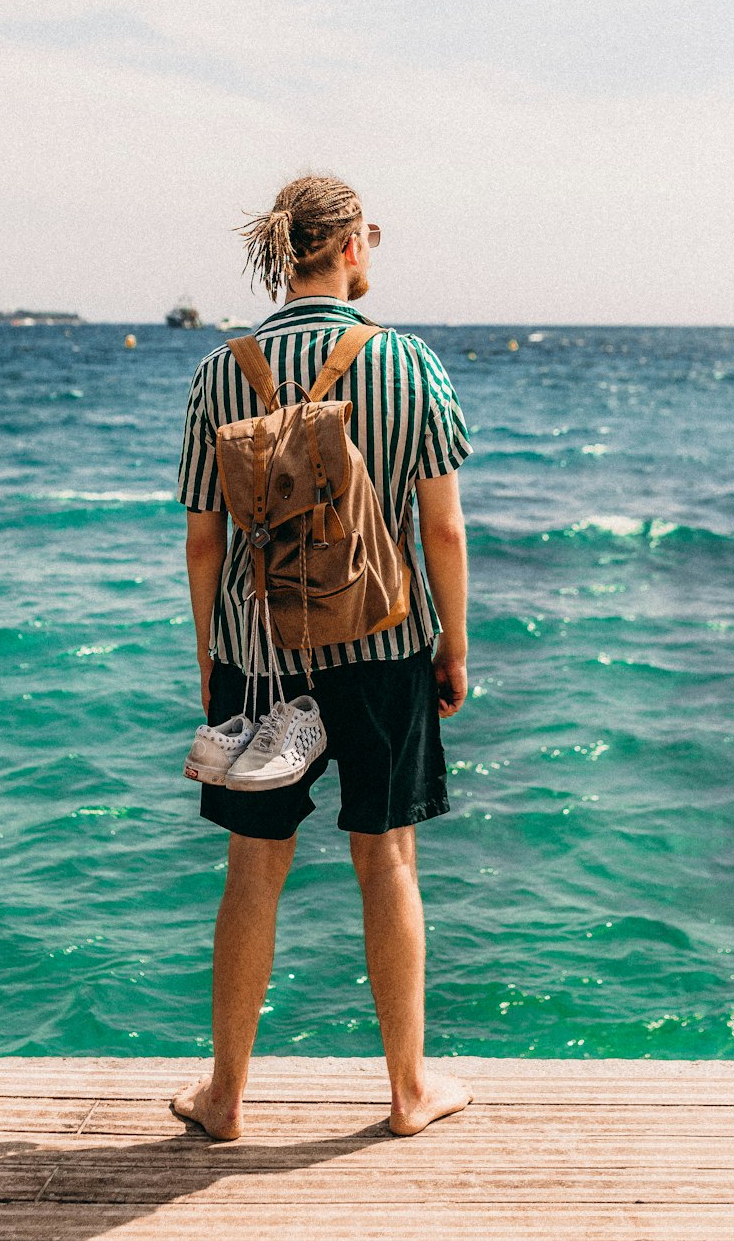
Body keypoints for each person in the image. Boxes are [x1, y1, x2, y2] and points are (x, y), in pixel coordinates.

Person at [173, 173, 473, 1139]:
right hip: (385, 644)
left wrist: (213, 656)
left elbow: (202, 541)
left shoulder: (224, 373)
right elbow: (443, 530)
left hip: (263, 659)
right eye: (370, 238)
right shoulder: (408, 363)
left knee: (252, 868)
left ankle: (224, 1096)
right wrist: (452, 645)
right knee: (385, 857)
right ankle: (407, 1092)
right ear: (348, 246)